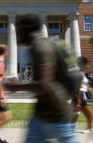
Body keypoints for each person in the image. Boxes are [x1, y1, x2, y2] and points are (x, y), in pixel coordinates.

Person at [6, 14, 78, 143]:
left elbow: (44, 84)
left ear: (25, 29)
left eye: (18, 28)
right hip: (41, 114)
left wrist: (14, 87)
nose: (16, 32)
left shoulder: (40, 47)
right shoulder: (40, 44)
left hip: (56, 114)